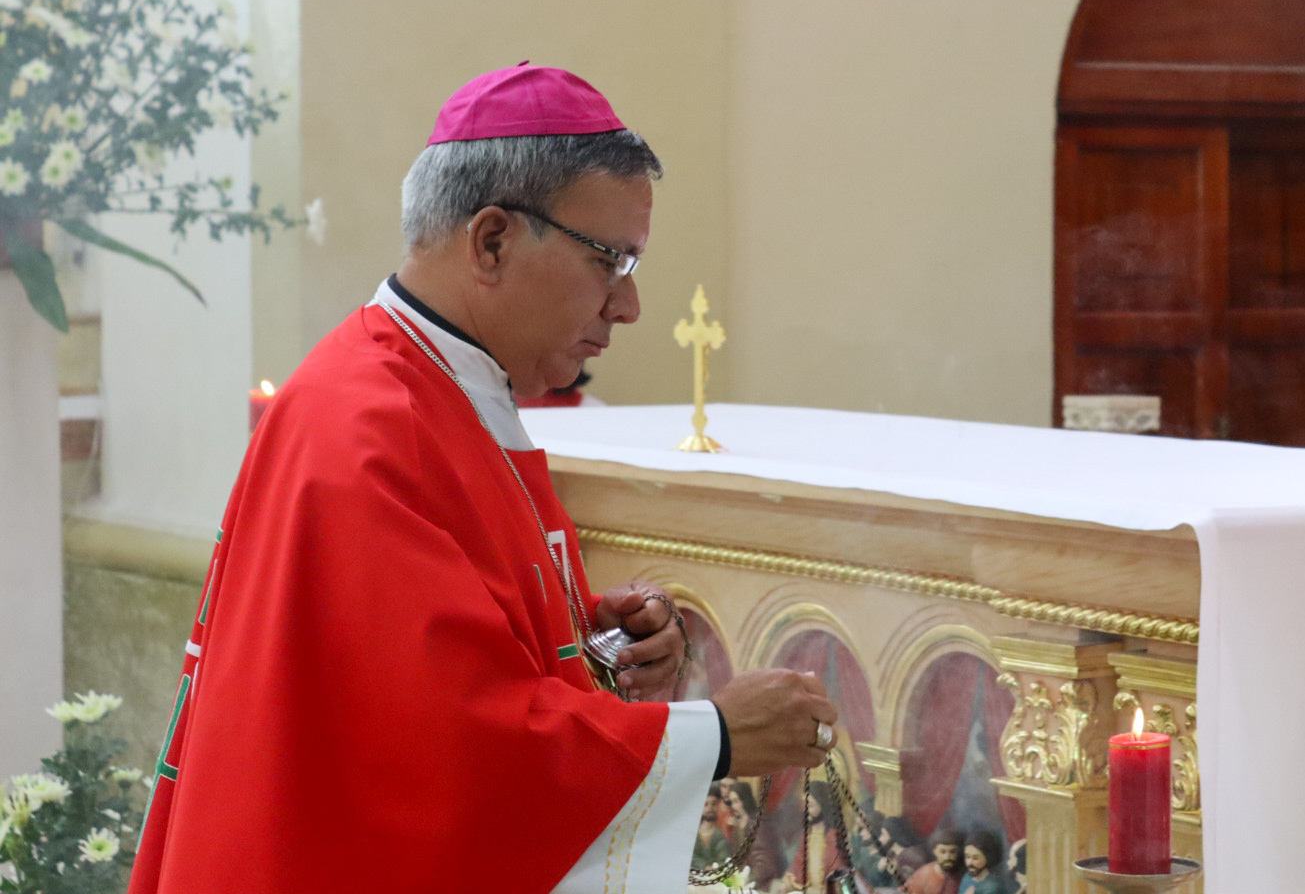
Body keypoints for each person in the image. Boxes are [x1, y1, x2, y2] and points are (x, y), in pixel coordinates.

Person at [126, 64, 840, 893]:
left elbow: (438, 670)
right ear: (492, 240)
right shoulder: (365, 426)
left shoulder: (442, 389)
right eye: (610, 260)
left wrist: (597, 648)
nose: (628, 306)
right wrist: (715, 735)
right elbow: (449, 756)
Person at [903, 829, 963, 894]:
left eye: (952, 852)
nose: (947, 857)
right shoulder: (924, 874)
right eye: (943, 852)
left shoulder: (962, 874)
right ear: (935, 852)